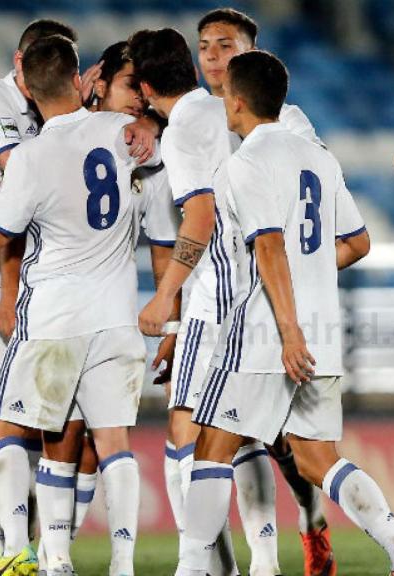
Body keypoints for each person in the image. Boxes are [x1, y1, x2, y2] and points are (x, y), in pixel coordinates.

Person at [176, 49, 394, 576]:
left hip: (269, 333)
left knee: (210, 449)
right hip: (323, 331)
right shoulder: (319, 157)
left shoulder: (245, 163)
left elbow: (268, 247)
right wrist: (309, 278)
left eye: (226, 95)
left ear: (237, 101)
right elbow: (358, 242)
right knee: (318, 460)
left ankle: (191, 571)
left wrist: (288, 333)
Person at [0, 35, 163, 576]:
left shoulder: (32, 155)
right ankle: (121, 564)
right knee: (113, 442)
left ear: (30, 92)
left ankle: (31, 554)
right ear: (78, 75)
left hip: (54, 317)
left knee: (7, 425)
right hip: (115, 315)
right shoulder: (120, 129)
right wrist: (150, 124)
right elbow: (153, 143)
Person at [172, 8, 335, 576]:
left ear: (252, 54)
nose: (213, 55)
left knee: (280, 441)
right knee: (202, 435)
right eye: (205, 46)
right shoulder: (188, 114)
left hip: (265, 303)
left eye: (226, 45)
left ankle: (310, 514)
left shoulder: (288, 123)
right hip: (209, 302)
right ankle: (243, 563)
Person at [0, 18, 75, 574]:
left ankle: (32, 551)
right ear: (18, 59)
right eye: (34, 61)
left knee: (30, 421)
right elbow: (20, 171)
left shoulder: (54, 114)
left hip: (43, 285)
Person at [128, 26, 240, 576]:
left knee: (184, 429)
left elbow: (200, 217)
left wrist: (164, 301)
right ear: (191, 70)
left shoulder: (184, 132)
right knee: (257, 439)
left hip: (212, 294)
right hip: (252, 293)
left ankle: (193, 567)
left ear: (146, 86)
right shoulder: (226, 112)